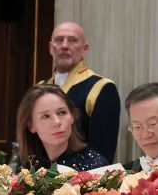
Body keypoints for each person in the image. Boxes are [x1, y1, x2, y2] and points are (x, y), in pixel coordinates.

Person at [44, 21, 121, 162]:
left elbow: (102, 153)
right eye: (59, 40)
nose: (65, 46)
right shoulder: (40, 89)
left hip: (81, 179)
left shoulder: (101, 87)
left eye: (73, 40)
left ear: (84, 49)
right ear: (50, 47)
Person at [16, 84, 107, 171]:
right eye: (46, 116)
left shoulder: (96, 166)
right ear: (31, 126)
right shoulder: (27, 166)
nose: (57, 122)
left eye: (62, 113)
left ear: (72, 116)